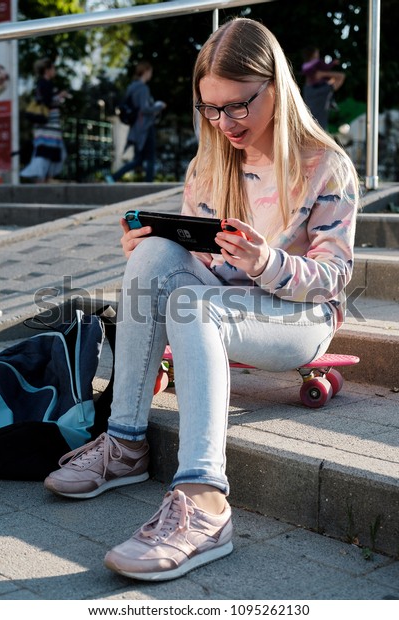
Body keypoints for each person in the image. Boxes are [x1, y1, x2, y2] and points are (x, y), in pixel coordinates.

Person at [44, 18, 359, 582]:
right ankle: (125, 444)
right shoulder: (209, 165)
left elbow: (333, 277)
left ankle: (206, 500)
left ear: (276, 88)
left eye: (238, 106)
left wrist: (265, 262)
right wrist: (156, 250)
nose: (224, 122)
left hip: (297, 317)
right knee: (153, 255)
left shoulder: (325, 166)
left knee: (195, 304)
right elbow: (199, 256)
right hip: (223, 301)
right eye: (211, 109)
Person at [106, 61, 166, 183]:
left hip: (136, 128)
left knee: (138, 159)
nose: (151, 75)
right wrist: (159, 106)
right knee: (150, 158)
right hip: (145, 127)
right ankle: (149, 186)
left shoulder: (131, 87)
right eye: (150, 72)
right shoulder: (143, 88)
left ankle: (113, 177)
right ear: (145, 72)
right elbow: (144, 109)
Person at [21, 58, 69, 183]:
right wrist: (60, 96)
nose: (55, 71)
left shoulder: (41, 84)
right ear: (47, 70)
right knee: (46, 153)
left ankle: (45, 180)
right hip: (47, 127)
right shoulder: (45, 84)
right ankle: (41, 180)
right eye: (53, 68)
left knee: (50, 153)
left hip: (48, 127)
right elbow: (47, 102)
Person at [301, 46, 346, 130]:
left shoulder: (305, 90)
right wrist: (324, 74)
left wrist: (322, 74)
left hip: (307, 128)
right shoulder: (325, 88)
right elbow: (341, 76)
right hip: (320, 129)